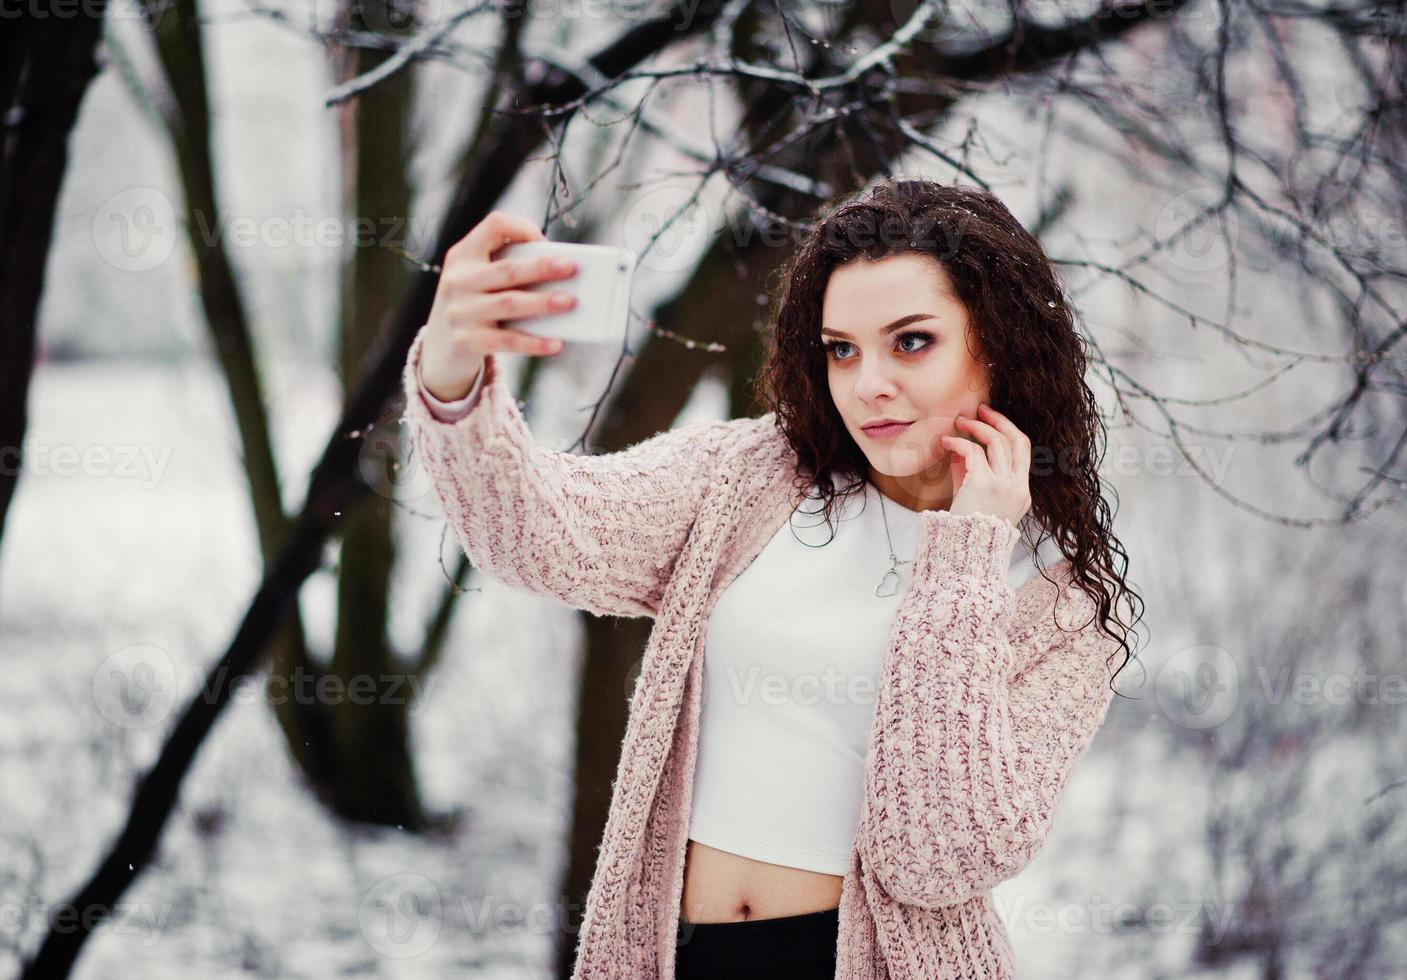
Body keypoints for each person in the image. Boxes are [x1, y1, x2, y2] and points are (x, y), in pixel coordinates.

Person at [401, 177, 1142, 979]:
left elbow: (936, 858)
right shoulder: (751, 477)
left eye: (912, 341)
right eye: (841, 348)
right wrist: (451, 374)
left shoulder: (1062, 603)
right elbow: (537, 537)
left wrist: (962, 553)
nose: (869, 385)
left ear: (999, 343)